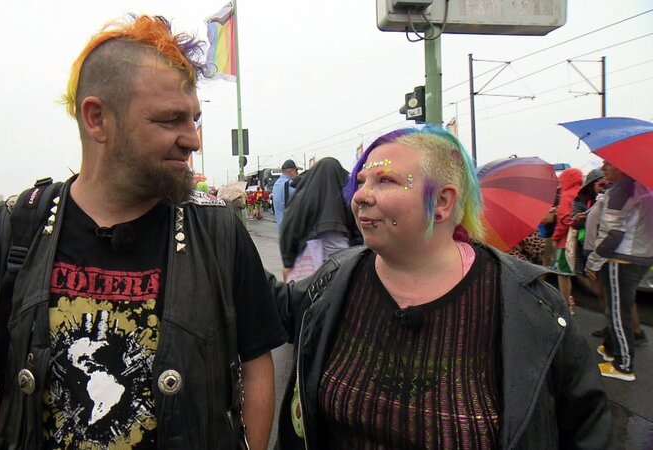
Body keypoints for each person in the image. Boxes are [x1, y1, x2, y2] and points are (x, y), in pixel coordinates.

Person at [0, 16, 286, 449]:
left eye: (195, 119)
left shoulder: (217, 231)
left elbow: (256, 364)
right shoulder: (14, 229)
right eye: (170, 120)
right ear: (97, 120)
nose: (194, 140)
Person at [269, 127, 609, 449]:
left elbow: (587, 430)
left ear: (443, 202)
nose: (360, 196)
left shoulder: (534, 306)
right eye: (361, 182)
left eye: (385, 180)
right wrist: (221, 229)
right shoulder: (336, 278)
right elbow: (267, 305)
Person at [586, 160, 653, 382]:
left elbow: (613, 233)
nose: (603, 168)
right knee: (619, 306)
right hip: (639, 256)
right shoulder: (641, 187)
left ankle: (623, 364)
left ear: (623, 166)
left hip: (621, 259)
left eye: (608, 164)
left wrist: (593, 262)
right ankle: (612, 348)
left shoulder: (622, 189)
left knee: (617, 311)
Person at [279, 157, 362, 282]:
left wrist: (288, 261)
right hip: (343, 257)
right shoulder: (347, 196)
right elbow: (358, 229)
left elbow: (290, 227)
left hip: (308, 259)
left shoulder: (302, 196)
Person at [551, 167, 583, 313]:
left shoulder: (567, 194)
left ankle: (566, 304)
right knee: (577, 272)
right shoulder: (581, 192)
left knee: (562, 273)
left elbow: (564, 221)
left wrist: (555, 237)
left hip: (565, 242)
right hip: (579, 240)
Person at [272, 159, 299, 232]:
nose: (297, 174)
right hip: (290, 229)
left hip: (281, 227)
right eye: (296, 171)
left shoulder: (276, 184)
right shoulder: (289, 185)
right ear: (290, 170)